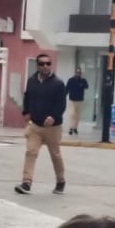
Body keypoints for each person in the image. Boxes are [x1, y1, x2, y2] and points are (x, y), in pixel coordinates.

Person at [16, 54, 67, 195]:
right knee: (31, 152)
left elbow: (62, 104)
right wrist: (26, 112)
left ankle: (60, 181)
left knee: (55, 154)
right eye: (42, 64)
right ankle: (26, 182)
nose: (45, 66)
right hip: (35, 126)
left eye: (48, 63)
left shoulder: (58, 83)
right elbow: (28, 97)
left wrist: (53, 116)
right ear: (37, 65)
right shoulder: (32, 81)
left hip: (53, 127)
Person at [67, 67, 89, 136]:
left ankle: (75, 128)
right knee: (72, 114)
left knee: (77, 115)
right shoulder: (71, 80)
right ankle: (71, 128)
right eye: (77, 72)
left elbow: (87, 86)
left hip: (80, 100)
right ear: (75, 73)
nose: (78, 74)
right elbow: (67, 88)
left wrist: (82, 84)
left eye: (79, 73)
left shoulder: (83, 80)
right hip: (72, 100)